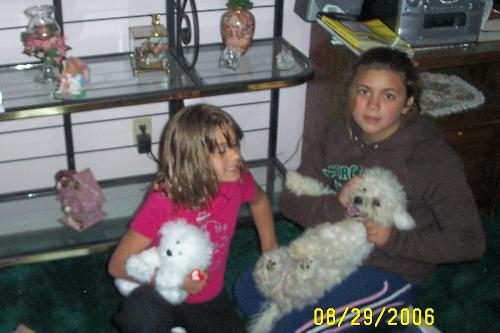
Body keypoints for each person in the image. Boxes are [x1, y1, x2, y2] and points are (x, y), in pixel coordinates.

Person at [234, 47, 486, 332]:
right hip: (328, 253)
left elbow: (470, 241)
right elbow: (293, 201)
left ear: (408, 103)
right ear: (351, 93)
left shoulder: (431, 159)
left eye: (388, 96)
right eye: (364, 91)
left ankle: (401, 317)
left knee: (293, 328)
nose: (373, 104)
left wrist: (394, 240)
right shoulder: (336, 136)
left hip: (390, 268)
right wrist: (337, 205)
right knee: (247, 290)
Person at [108, 104, 278, 333]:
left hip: (207, 296)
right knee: (140, 317)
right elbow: (117, 266)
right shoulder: (163, 200)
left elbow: (259, 201)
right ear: (192, 159)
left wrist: (269, 246)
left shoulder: (238, 181)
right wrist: (174, 280)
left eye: (235, 144)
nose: (236, 155)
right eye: (221, 150)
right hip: (158, 291)